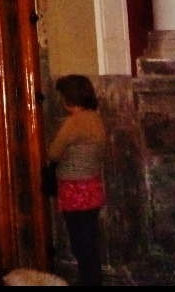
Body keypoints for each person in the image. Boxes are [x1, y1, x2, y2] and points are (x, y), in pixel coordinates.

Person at [48, 75, 106, 286]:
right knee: (90, 244)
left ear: (70, 97)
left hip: (74, 188)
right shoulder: (95, 118)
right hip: (92, 186)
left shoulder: (75, 122)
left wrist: (63, 156)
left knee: (80, 245)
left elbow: (54, 152)